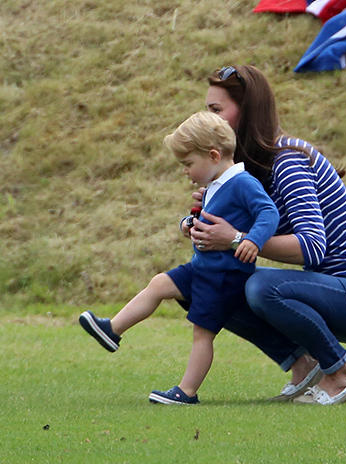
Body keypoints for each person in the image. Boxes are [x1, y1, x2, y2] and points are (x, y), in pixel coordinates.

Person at [187, 65, 346, 405]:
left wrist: (234, 238)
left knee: (261, 287)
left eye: (216, 111)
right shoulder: (246, 175)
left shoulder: (287, 160)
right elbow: (231, 243)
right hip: (328, 294)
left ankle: (342, 371)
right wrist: (203, 224)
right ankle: (304, 366)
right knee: (198, 283)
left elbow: (312, 248)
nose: (208, 119)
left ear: (248, 111)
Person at [79, 111, 279, 405]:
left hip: (224, 276)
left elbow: (268, 212)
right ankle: (112, 330)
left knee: (202, 334)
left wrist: (251, 239)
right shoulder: (214, 185)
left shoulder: (242, 183)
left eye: (188, 164)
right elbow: (203, 217)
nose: (185, 171)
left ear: (213, 156)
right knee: (160, 283)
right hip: (203, 268)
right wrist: (187, 222)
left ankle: (187, 392)